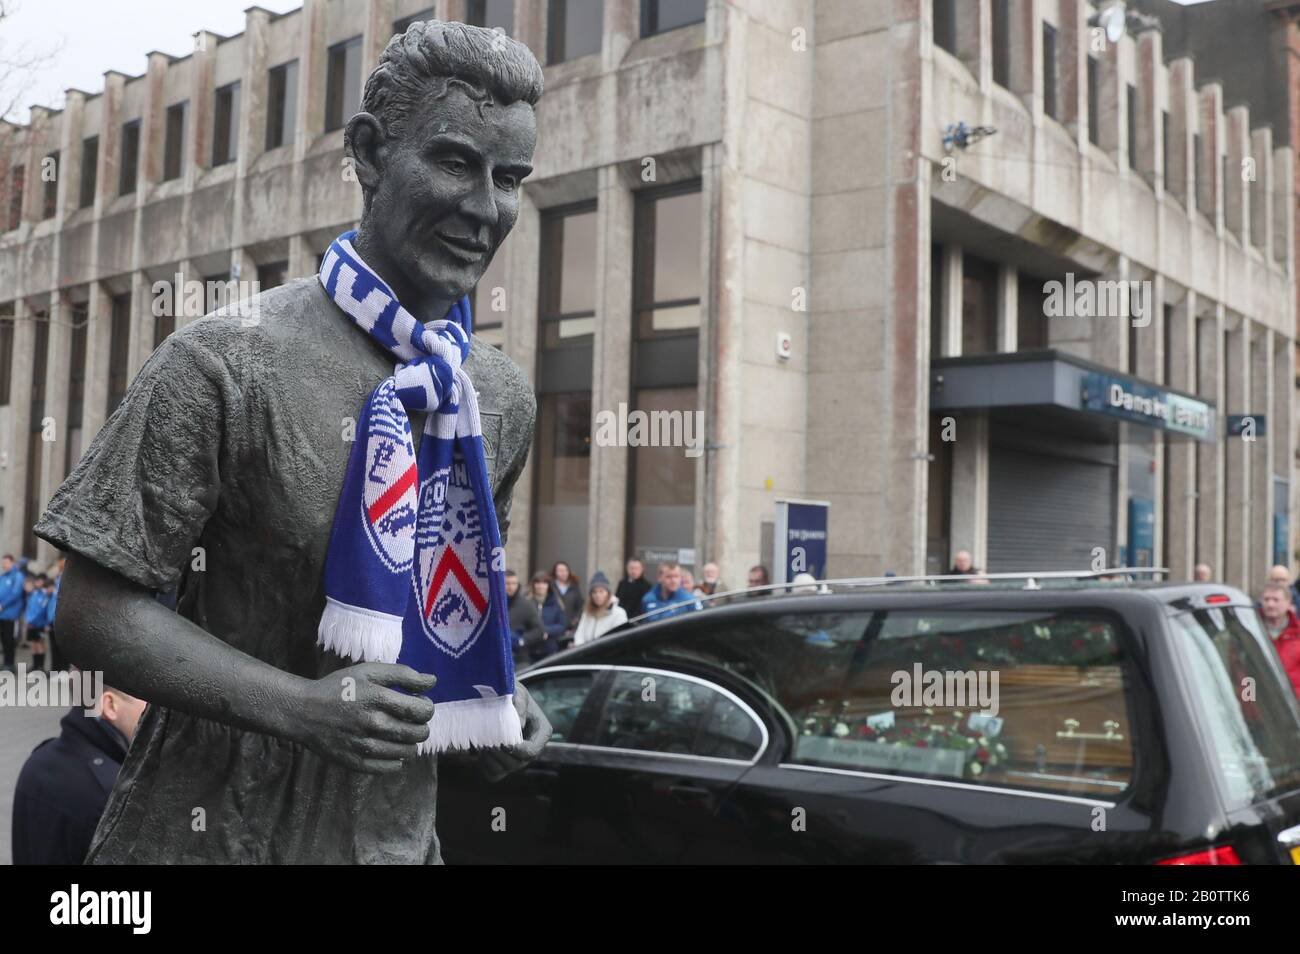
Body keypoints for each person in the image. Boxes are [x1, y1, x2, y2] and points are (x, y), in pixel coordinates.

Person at [35, 19, 551, 864]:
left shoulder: (495, 400)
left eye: (510, 177)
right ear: (371, 154)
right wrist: (299, 707)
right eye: (456, 162)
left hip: (388, 843)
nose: (484, 206)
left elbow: (439, 616)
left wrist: (492, 705)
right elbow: (89, 614)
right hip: (205, 839)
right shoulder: (224, 360)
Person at [11, 684, 147, 865]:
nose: (156, 713)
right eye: (147, 702)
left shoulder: (38, 760)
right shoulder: (115, 793)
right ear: (110, 705)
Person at [1259, 582, 1300, 700]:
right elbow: (1242, 673)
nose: (1270, 604)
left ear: (1288, 603)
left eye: (1276, 600)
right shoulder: (1249, 632)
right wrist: (1249, 702)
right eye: (1266, 600)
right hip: (1260, 708)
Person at [573, 572, 628, 645]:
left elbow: (620, 639)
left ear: (608, 593)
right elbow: (579, 635)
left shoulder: (618, 613)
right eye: (594, 592)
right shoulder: (587, 613)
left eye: (601, 591)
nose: (598, 595)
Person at [504, 570, 542, 669]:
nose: (511, 587)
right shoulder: (495, 605)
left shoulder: (526, 605)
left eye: (514, 583)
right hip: (498, 657)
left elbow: (539, 630)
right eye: (507, 583)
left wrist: (521, 640)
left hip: (519, 659)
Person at [528, 571, 568, 661]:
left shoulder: (557, 603)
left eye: (544, 583)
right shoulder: (527, 602)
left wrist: (546, 631)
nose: (540, 586)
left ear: (548, 585)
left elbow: (562, 625)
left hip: (550, 650)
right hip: (529, 650)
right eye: (537, 583)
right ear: (533, 585)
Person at [550, 560, 583, 647]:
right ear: (555, 572)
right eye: (560, 571)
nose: (563, 573)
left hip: (570, 626)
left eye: (565, 570)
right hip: (555, 625)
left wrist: (575, 621)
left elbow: (580, 606)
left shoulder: (574, 586)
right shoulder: (551, 586)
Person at [0, 553, 24, 672]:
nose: (3, 564)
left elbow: (16, 593)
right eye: (3, 562)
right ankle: (5, 663)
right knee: (3, 639)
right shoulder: (3, 576)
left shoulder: (18, 576)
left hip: (11, 614)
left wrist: (3, 605)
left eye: (6, 562)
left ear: (12, 563)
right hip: (2, 615)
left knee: (10, 639)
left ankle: (10, 664)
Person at [23, 575, 52, 672]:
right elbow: (29, 609)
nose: (37, 583)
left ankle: (41, 667)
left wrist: (32, 621)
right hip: (31, 624)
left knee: (40, 644)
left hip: (39, 624)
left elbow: (41, 611)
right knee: (33, 644)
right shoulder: (33, 594)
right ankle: (35, 665)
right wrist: (27, 620)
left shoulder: (44, 595)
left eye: (39, 581)